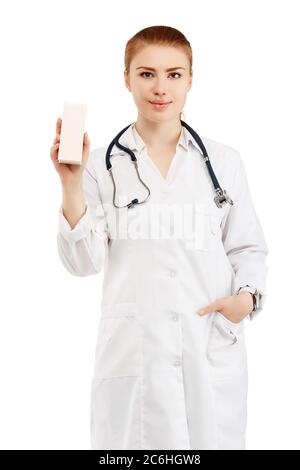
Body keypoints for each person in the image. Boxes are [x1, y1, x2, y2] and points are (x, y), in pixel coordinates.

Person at [50, 25, 268, 450]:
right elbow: (83, 263)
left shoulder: (224, 162)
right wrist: (71, 184)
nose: (160, 87)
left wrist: (246, 299)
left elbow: (247, 246)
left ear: (190, 78)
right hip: (136, 353)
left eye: (174, 74)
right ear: (127, 78)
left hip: (209, 347)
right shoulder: (99, 165)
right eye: (146, 73)